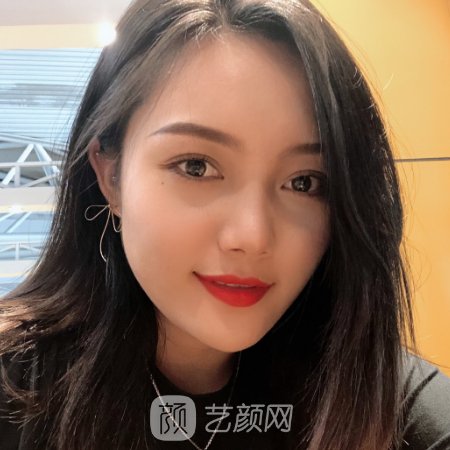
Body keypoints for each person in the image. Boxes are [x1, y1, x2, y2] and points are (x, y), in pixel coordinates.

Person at [1, 0, 449, 449]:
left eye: (304, 182)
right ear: (111, 176)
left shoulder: (382, 398)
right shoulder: (16, 388)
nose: (252, 237)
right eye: (196, 166)